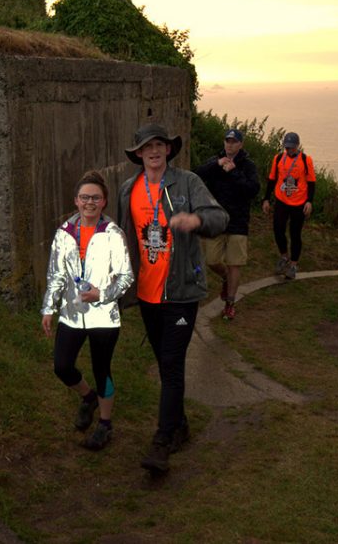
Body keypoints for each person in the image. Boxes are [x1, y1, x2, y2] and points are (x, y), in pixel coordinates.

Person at [117, 123, 228, 474]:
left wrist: (196, 219)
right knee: (166, 365)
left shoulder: (187, 182)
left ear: (168, 150)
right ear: (138, 153)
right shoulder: (127, 190)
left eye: (160, 144)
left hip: (180, 291)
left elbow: (219, 216)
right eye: (147, 146)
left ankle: (162, 441)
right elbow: (123, 239)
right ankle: (179, 426)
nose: (154, 151)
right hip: (148, 293)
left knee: (172, 361)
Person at [41, 171, 134, 451]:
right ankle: (88, 397)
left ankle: (105, 424)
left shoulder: (113, 234)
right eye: (84, 197)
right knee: (62, 366)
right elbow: (56, 274)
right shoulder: (64, 233)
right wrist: (49, 309)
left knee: (101, 368)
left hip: (104, 317)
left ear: (104, 202)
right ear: (76, 201)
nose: (89, 202)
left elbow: (126, 276)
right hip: (72, 313)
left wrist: (102, 294)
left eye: (95, 197)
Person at [194, 128, 260, 320]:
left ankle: (230, 304)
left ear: (241, 144)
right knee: (211, 260)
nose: (229, 144)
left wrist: (234, 173)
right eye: (227, 141)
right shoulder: (216, 161)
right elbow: (197, 174)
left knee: (234, 264)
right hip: (216, 220)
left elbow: (253, 190)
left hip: (238, 222)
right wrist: (217, 164)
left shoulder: (247, 166)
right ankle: (224, 278)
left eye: (234, 141)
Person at [261, 132, 315, 280]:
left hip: (299, 203)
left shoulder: (305, 160)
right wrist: (266, 199)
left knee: (295, 233)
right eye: (287, 147)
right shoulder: (278, 158)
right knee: (278, 230)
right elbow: (272, 179)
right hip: (281, 201)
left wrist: (309, 201)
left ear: (297, 146)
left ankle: (293, 264)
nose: (289, 150)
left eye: (291, 148)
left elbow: (311, 182)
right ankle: (284, 256)